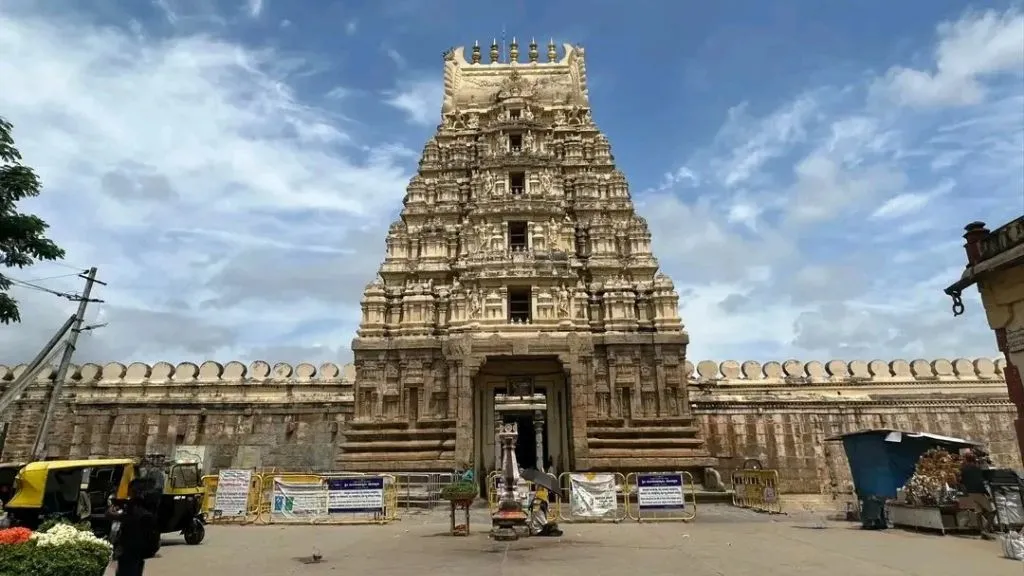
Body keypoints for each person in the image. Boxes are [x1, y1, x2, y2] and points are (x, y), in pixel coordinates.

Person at [114, 480, 159, 576]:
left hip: (130, 550)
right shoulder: (146, 506)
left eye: (130, 490)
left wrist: (113, 514)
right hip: (138, 551)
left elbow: (127, 519)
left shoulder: (134, 507)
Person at [959, 450, 995, 537]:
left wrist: (965, 491)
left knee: (978, 511)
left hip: (970, 493)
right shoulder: (976, 469)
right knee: (992, 511)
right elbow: (979, 482)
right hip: (978, 492)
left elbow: (961, 481)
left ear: (966, 459)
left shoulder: (963, 469)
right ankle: (986, 529)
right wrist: (987, 493)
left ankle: (981, 530)